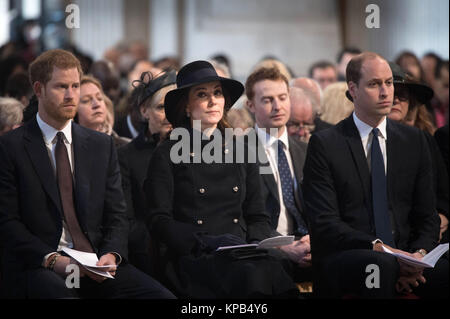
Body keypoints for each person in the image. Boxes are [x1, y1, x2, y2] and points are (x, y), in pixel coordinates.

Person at [0, 49, 175, 299]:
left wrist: (111, 254)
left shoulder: (100, 145)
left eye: (75, 86)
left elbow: (117, 214)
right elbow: (7, 222)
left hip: (96, 263)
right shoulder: (11, 147)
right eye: (62, 87)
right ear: (38, 90)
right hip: (41, 265)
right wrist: (51, 260)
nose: (71, 95)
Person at [143, 60, 299, 298]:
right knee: (251, 276)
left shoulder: (243, 150)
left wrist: (256, 244)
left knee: (270, 270)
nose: (213, 100)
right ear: (186, 106)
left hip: (242, 251)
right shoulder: (167, 153)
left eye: (217, 93)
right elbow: (159, 220)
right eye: (202, 94)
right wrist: (203, 241)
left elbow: (257, 215)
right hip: (194, 255)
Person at [302, 52, 448, 298]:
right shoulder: (325, 144)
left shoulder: (415, 140)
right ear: (353, 89)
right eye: (374, 84)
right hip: (348, 253)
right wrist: (381, 249)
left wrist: (419, 256)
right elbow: (325, 222)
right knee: (379, 267)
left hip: (406, 254)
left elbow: (427, 216)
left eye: (389, 83)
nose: (385, 92)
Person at [245, 67, 313, 282]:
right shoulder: (239, 152)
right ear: (250, 105)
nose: (277, 107)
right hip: (267, 247)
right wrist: (284, 246)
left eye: (282, 98)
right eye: (267, 100)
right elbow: (244, 217)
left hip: (310, 242)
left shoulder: (307, 150)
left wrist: (313, 241)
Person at [117, 70, 176, 277]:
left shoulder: (197, 151)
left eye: (175, 106)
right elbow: (126, 220)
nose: (170, 114)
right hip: (150, 255)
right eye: (161, 107)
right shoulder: (126, 156)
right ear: (144, 110)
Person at [387, 62, 449, 244]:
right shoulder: (361, 140)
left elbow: (442, 192)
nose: (395, 100)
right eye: (391, 94)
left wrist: (443, 216)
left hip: (429, 233)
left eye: (402, 96)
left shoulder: (423, 140)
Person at [77, 75, 130, 148]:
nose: (96, 104)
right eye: (86, 100)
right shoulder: (69, 149)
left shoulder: (126, 147)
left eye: (99, 98)